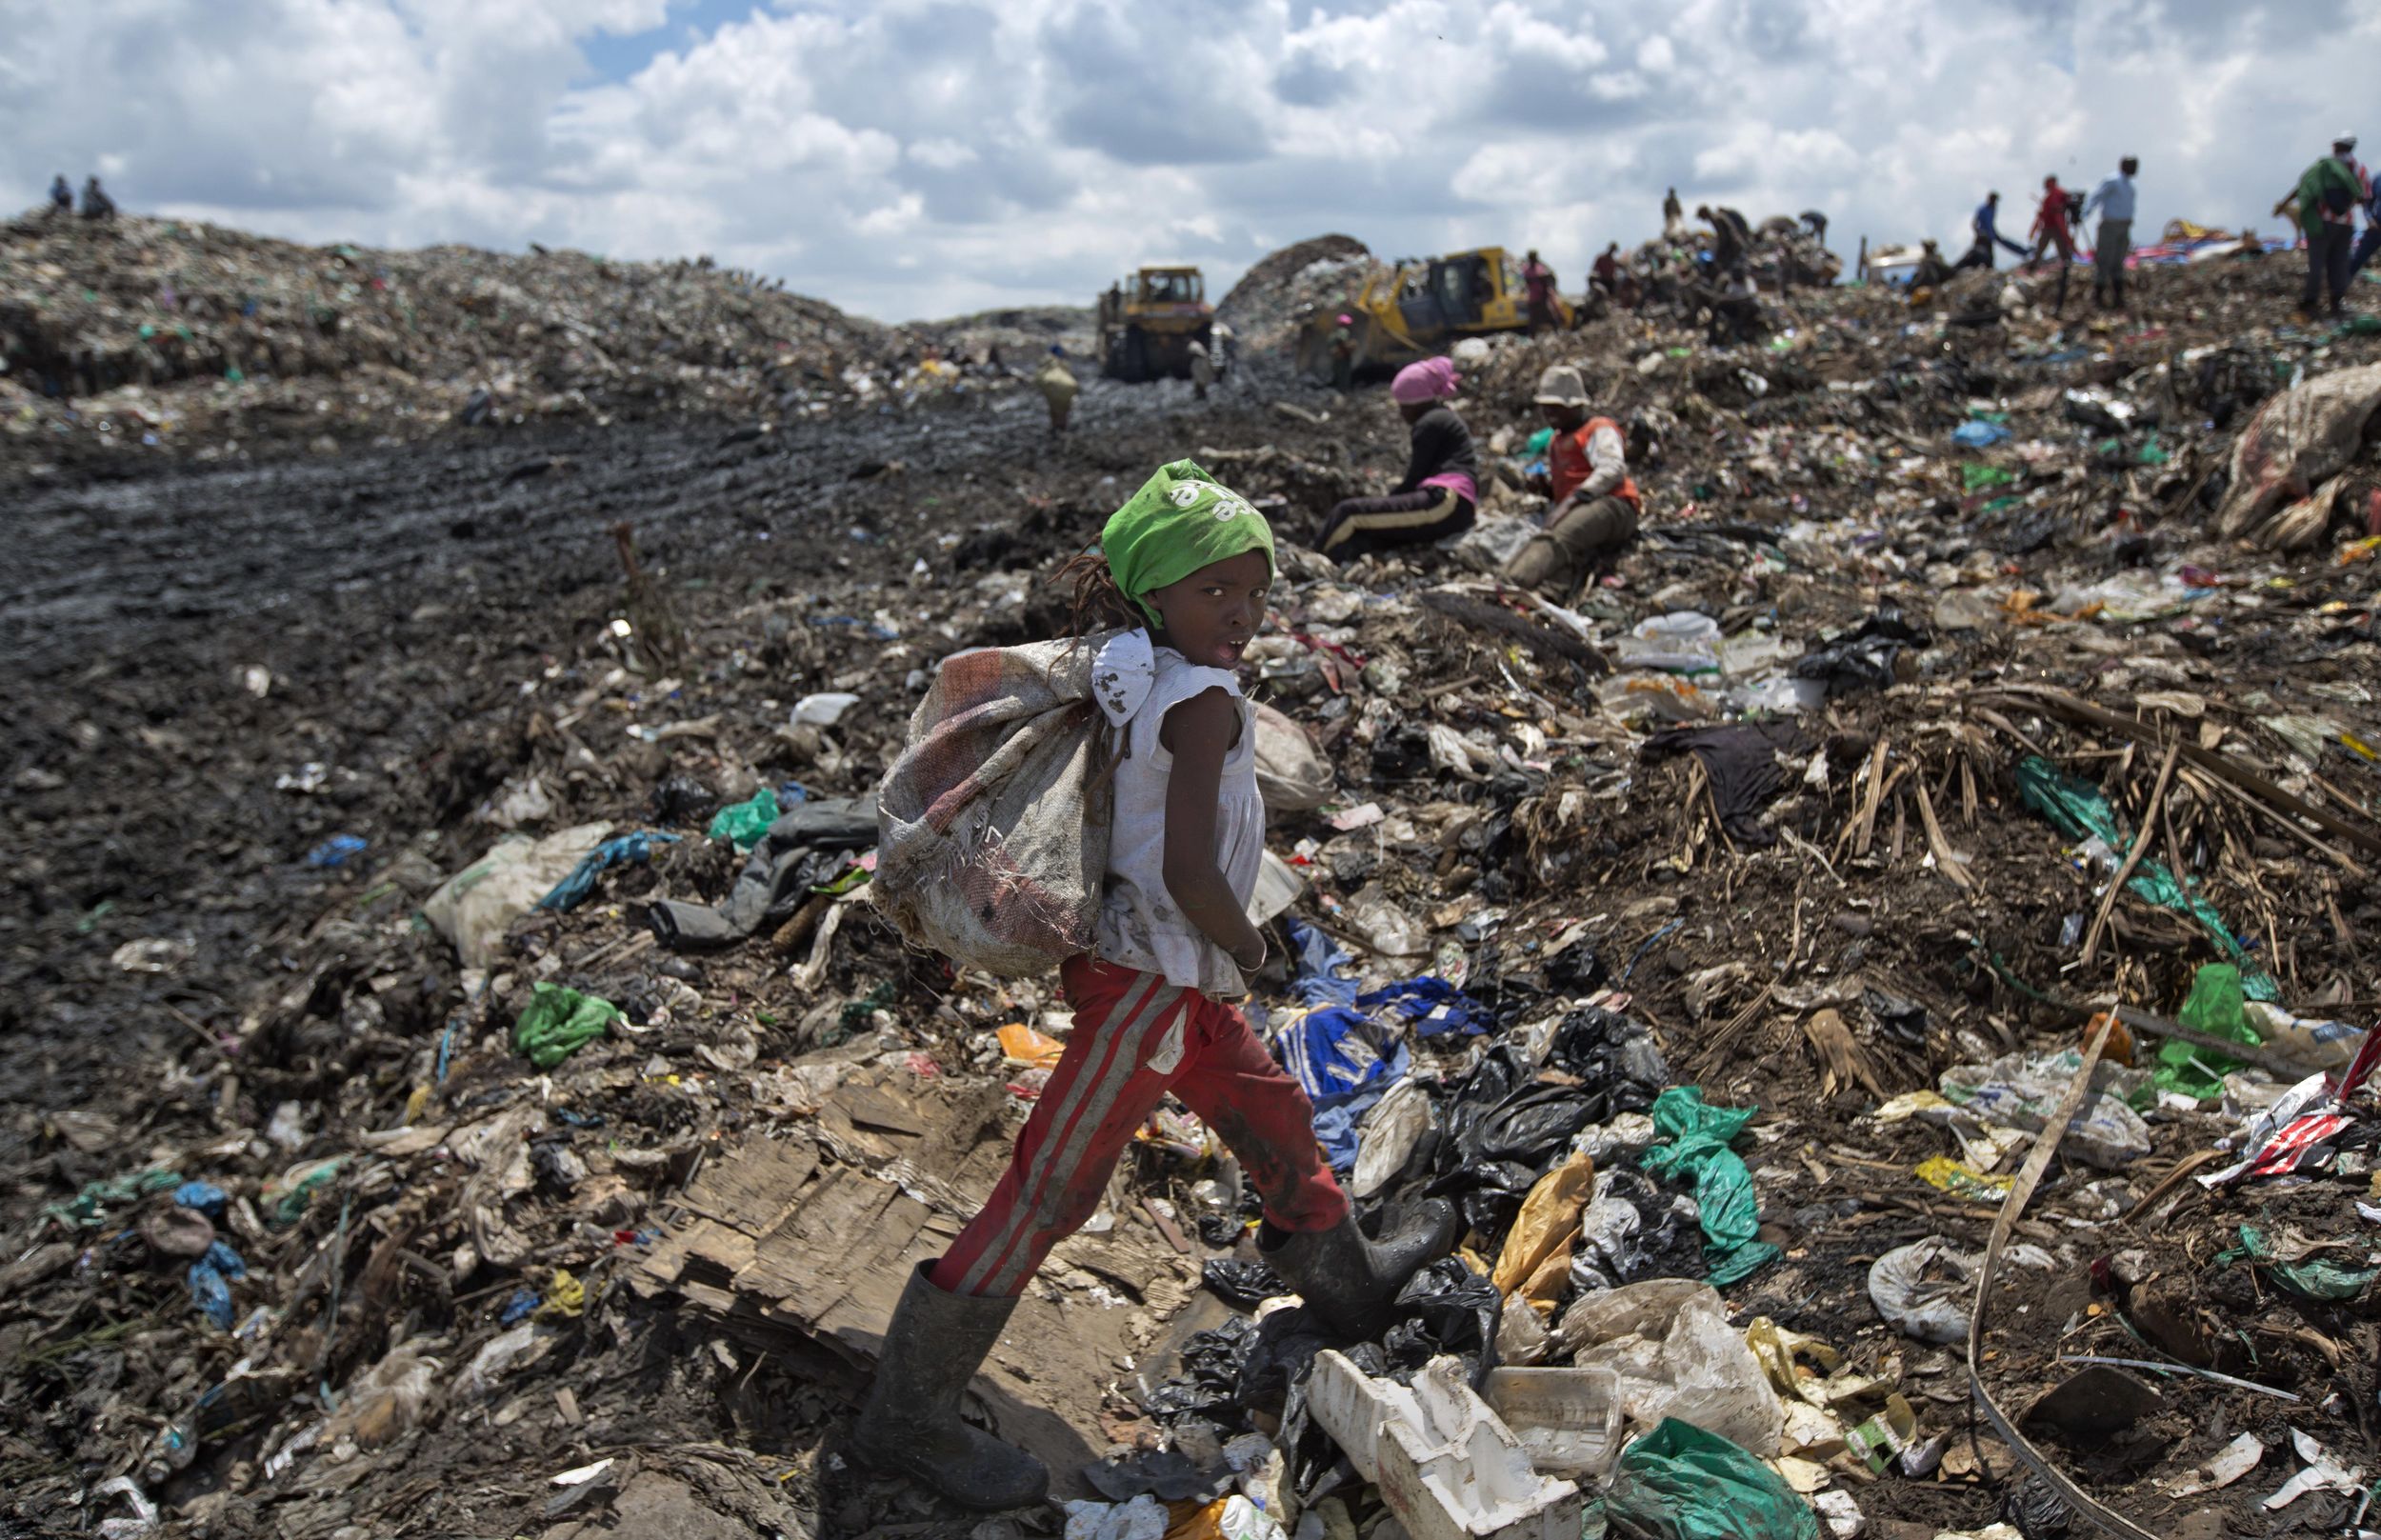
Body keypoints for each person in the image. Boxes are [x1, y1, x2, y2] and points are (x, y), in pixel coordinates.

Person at [850, 463, 1457, 1510]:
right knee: (1051, 1190)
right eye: (1216, 591)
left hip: (1167, 972)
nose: (1243, 612)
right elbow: (1187, 872)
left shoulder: (1136, 674)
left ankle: (1347, 1286)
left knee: (1267, 1105)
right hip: (1147, 980)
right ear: (1156, 596)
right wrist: (1253, 951)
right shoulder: (1204, 702)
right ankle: (903, 1423)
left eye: (1255, 591)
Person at [1315, 357, 1478, 563]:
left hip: (1446, 503)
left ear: (1416, 404)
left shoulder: (1429, 423)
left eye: (1404, 407)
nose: (1402, 413)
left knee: (1347, 512)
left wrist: (1389, 499)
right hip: (1456, 505)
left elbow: (1415, 477)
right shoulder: (1442, 417)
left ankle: (1313, 560)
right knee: (1371, 534)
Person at [1501, 364, 1641, 597]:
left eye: (1556, 409)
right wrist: (1545, 488)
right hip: (1583, 508)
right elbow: (1564, 487)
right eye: (1546, 410)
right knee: (1563, 547)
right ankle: (1547, 594)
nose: (1549, 416)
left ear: (1575, 405)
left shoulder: (1598, 429)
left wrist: (1569, 503)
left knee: (1559, 537)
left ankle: (1510, 584)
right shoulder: (1555, 441)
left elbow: (1612, 468)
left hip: (1615, 505)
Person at [2276, 134, 2368, 318]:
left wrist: (2283, 204)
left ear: (2335, 147)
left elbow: (2303, 187)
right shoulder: (2359, 169)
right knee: (2339, 263)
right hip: (2347, 224)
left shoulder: (2321, 167)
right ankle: (2336, 303)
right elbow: (2363, 196)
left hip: (2322, 222)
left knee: (2316, 264)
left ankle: (2311, 303)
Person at [2081, 157, 2138, 310]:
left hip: (2124, 227)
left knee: (2119, 261)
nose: (2135, 168)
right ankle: (2098, 295)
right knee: (2104, 259)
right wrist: (2084, 213)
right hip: (2110, 226)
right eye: (2133, 165)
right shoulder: (2112, 181)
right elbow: (2096, 197)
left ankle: (2118, 297)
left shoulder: (2130, 185)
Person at [2026, 175, 2078, 313]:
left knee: (2061, 249)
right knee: (2041, 248)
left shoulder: (2059, 193)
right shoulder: (2051, 196)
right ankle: (2034, 264)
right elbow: (2043, 214)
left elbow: (2060, 211)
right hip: (2049, 227)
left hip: (2055, 227)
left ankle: (2066, 263)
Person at [1953, 191, 2030, 271]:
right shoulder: (1982, 209)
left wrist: (1996, 234)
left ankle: (2024, 252)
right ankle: (1957, 270)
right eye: (1994, 200)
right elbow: (1974, 224)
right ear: (1990, 199)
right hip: (1982, 240)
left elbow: (1991, 224)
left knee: (1990, 259)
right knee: (1978, 256)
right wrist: (1980, 233)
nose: (1995, 202)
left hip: (1990, 238)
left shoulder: (1993, 209)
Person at [1032, 346, 1077, 433]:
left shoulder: (1047, 362)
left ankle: (1056, 427)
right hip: (1069, 386)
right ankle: (1062, 427)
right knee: (1064, 408)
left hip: (1053, 385)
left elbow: (1039, 377)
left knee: (1054, 408)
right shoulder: (1063, 363)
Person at [1520, 249, 1558, 334]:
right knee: (1534, 321)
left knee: (1550, 317)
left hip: (1541, 298)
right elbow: (1529, 281)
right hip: (1535, 299)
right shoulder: (1528, 270)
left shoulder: (1539, 267)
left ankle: (1557, 332)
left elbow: (1547, 279)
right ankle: (1532, 338)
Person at [1329, 312, 1356, 390]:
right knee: (1344, 377)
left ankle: (1339, 391)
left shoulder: (1333, 333)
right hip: (1343, 358)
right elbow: (1342, 341)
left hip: (1337, 358)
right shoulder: (1343, 331)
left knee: (1338, 375)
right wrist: (1350, 346)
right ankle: (1343, 392)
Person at [1188, 337, 1214, 401]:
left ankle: (1202, 396)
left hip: (1200, 361)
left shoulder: (1194, 344)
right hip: (1199, 362)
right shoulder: (1196, 345)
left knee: (1201, 381)